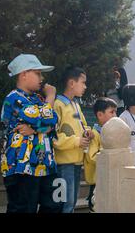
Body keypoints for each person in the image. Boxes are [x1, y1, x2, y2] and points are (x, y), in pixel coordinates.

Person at [0, 54, 61, 213]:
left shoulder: (39, 99)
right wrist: (51, 97)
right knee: (24, 209)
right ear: (24, 74)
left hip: (46, 165)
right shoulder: (13, 98)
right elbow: (41, 117)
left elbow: (53, 120)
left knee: (56, 204)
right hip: (21, 167)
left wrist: (34, 129)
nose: (42, 78)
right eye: (38, 73)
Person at [53, 67, 94, 213]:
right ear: (71, 83)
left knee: (71, 203)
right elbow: (54, 135)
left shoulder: (75, 104)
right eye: (83, 82)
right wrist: (77, 141)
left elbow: (82, 125)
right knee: (64, 204)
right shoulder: (58, 104)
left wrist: (88, 132)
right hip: (64, 164)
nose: (85, 86)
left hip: (76, 162)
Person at [85, 97, 117, 212]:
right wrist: (109, 155)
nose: (115, 115)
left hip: (108, 176)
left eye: (116, 112)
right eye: (111, 112)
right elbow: (92, 157)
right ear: (100, 115)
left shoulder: (111, 133)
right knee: (95, 206)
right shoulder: (95, 134)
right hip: (97, 179)